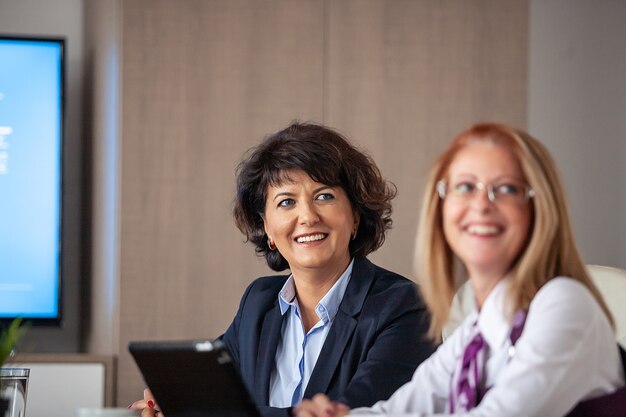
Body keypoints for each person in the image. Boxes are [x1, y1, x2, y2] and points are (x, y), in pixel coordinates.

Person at [294, 123, 626, 417]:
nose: (481, 204)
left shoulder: (564, 303)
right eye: (465, 187)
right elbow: (402, 408)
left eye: (507, 188)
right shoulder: (478, 330)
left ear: (540, 209)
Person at [130, 122, 435, 417]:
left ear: (355, 216)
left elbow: (351, 414)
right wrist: (172, 404)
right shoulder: (258, 303)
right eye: (286, 202)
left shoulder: (405, 307)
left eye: (324, 196)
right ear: (267, 228)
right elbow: (212, 392)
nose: (307, 216)